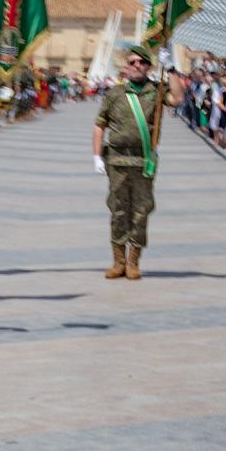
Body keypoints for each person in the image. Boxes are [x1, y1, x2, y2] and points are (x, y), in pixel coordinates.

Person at [92, 45, 163, 280]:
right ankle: (118, 261)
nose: (136, 66)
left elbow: (178, 97)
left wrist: (171, 71)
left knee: (141, 211)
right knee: (118, 210)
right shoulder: (115, 94)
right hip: (118, 160)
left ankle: (134, 262)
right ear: (125, 67)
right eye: (132, 62)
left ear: (149, 67)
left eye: (141, 63)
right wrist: (96, 156)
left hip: (144, 161)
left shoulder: (157, 92)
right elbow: (99, 124)